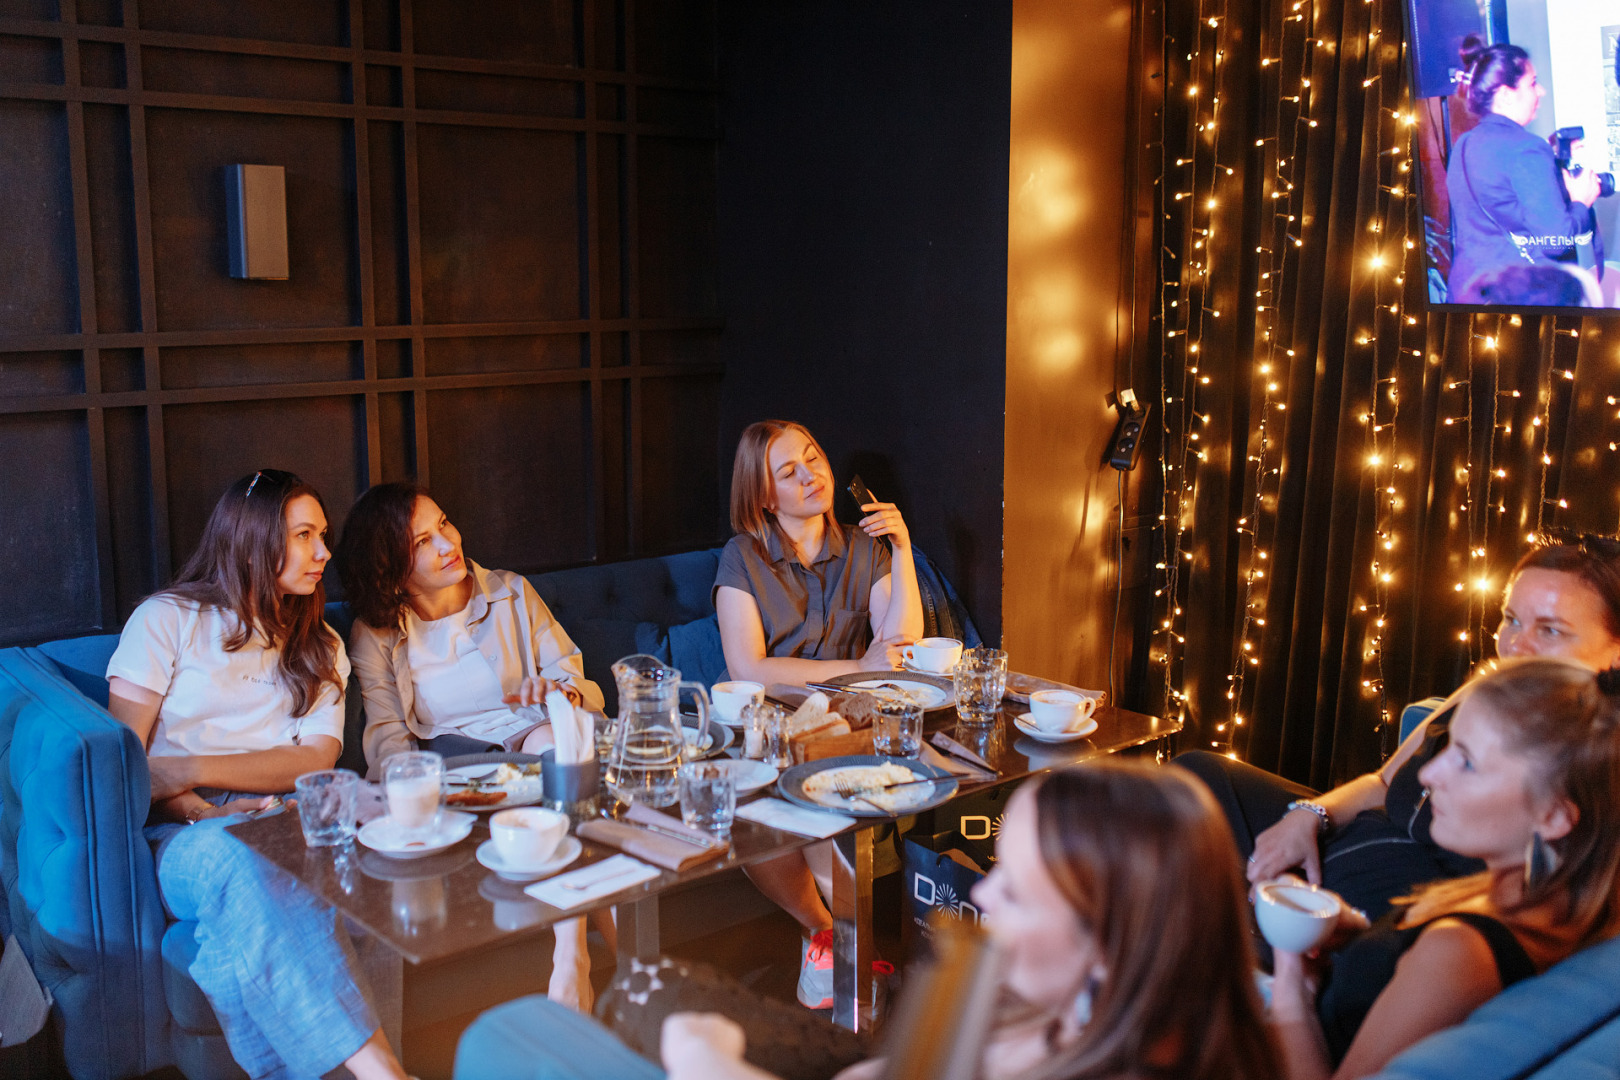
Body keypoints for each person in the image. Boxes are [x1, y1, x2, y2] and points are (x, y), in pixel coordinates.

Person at [456, 761, 1280, 1080]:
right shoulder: (1041, 1003)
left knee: (507, 1037)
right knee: (648, 987)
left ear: (1115, 947)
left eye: (1019, 892)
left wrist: (705, 1061)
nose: (982, 898)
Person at [105, 469, 408, 1080]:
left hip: (284, 814)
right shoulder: (166, 621)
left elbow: (315, 758)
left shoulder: (319, 644)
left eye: (322, 535)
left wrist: (185, 766)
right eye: (304, 535)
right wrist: (203, 809)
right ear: (252, 539)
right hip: (182, 831)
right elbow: (126, 768)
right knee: (243, 863)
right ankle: (384, 1072)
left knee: (363, 869)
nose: (324, 552)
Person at [1178, 535, 1620, 919]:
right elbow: (1384, 780)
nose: (1516, 644)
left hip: (1393, 901)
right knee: (1197, 778)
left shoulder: (1595, 750)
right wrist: (1309, 817)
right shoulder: (1488, 689)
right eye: (1512, 620)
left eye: (1551, 630)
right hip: (1351, 836)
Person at [1270, 656, 1620, 1079]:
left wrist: (1292, 987)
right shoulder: (1550, 899)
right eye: (1449, 745)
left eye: (1468, 762)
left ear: (1554, 816)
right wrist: (1357, 934)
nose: (1430, 773)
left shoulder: (1458, 952)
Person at [337, 480, 607, 1010]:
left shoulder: (509, 590)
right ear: (388, 566)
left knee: (554, 739)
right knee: (574, 785)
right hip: (458, 762)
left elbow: (571, 675)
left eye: (443, 523)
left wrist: (556, 691)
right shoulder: (375, 633)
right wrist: (415, 799)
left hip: (542, 737)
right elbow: (389, 739)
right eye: (420, 543)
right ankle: (597, 976)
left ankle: (576, 957)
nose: (446, 543)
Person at [714, 420, 924, 1007]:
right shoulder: (743, 557)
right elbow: (748, 669)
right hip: (769, 727)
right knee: (765, 798)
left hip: (849, 726)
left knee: (811, 786)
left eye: (814, 459)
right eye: (789, 472)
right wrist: (856, 664)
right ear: (763, 496)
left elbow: (902, 648)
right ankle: (832, 936)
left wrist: (902, 549)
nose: (812, 476)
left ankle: (837, 952)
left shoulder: (863, 547)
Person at [1446, 44, 1603, 304]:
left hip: (1467, 293)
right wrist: (1580, 202)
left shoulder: (1463, 144)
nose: (1541, 91)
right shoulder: (1528, 148)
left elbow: (1500, 192)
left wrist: (1548, 162)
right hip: (1517, 296)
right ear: (1507, 95)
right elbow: (1557, 241)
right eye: (1533, 83)